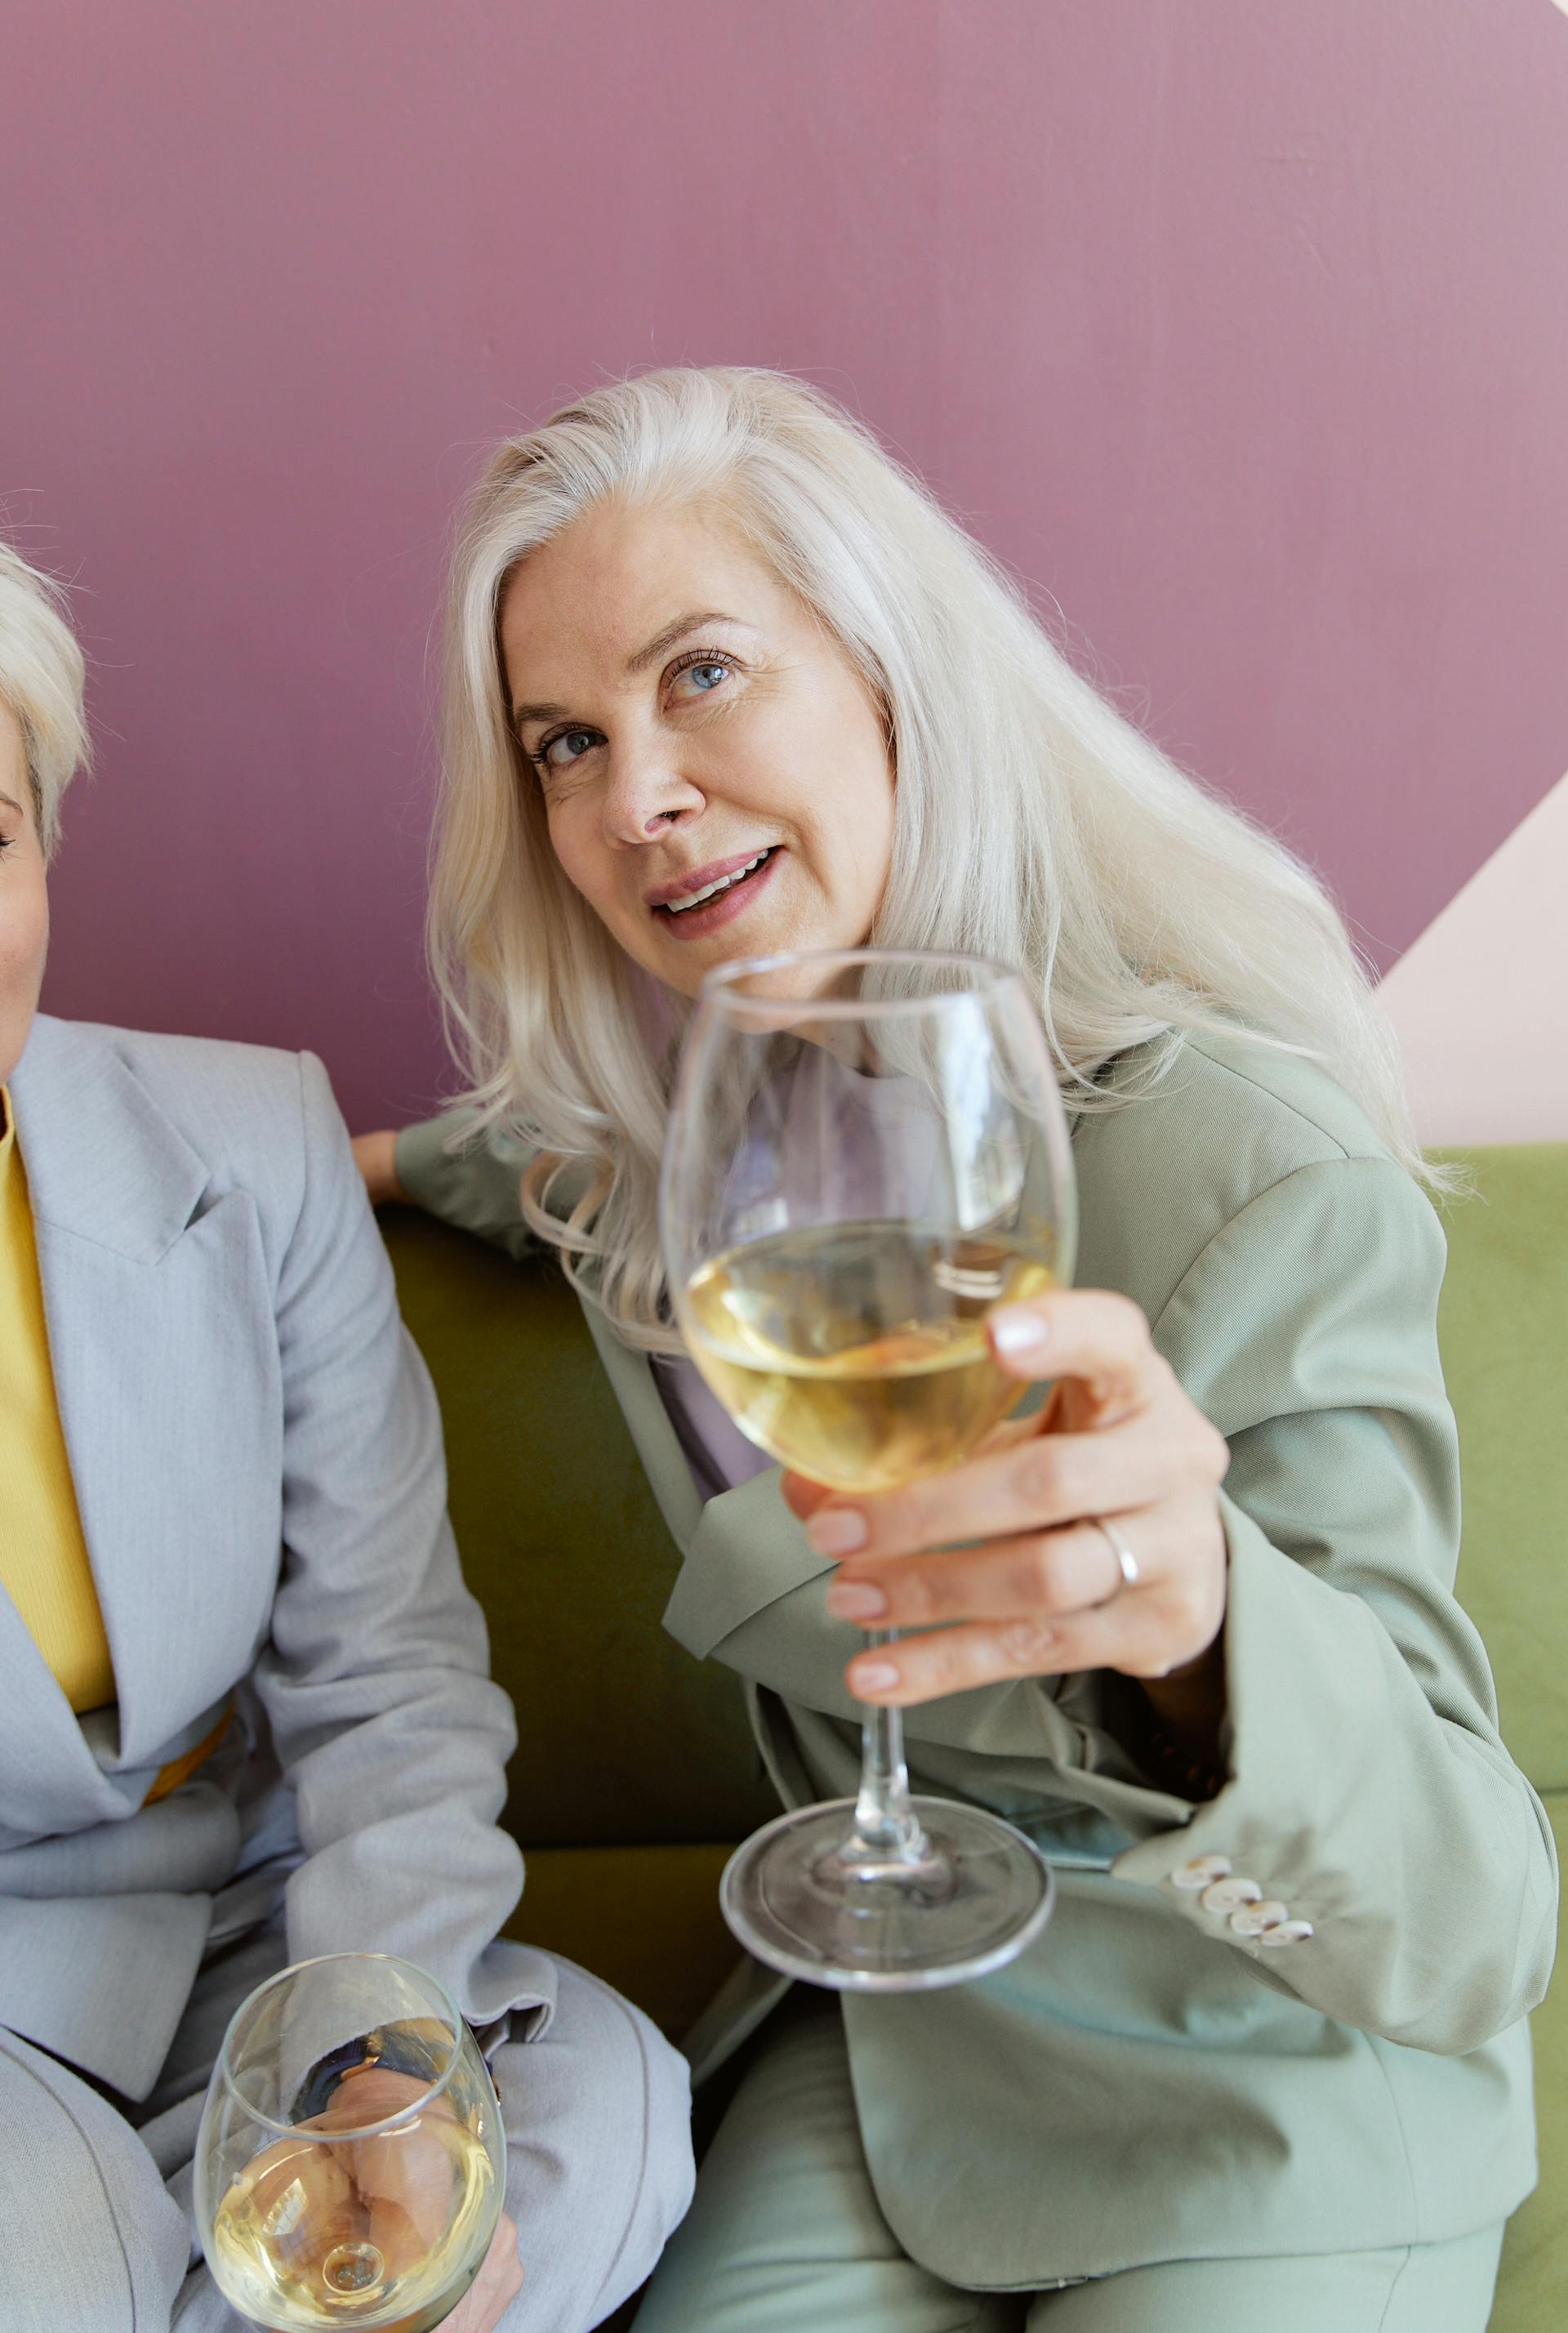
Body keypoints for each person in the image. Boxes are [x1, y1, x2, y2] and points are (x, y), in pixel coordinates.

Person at [355, 368, 1557, 2332]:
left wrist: (1205, 1637)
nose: (633, 796)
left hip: (1261, 2069)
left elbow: (1472, 1925)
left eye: (706, 675)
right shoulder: (693, 1151)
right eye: (565, 740)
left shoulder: (1257, 1167)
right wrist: (274, 1171)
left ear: (896, 675)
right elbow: (543, 1158)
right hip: (904, 2045)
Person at [0, 538, 694, 2333]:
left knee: (589, 2129)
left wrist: (380, 2052)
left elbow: (384, 1679)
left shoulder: (253, 1144)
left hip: (245, 1948)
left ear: (43, 847)